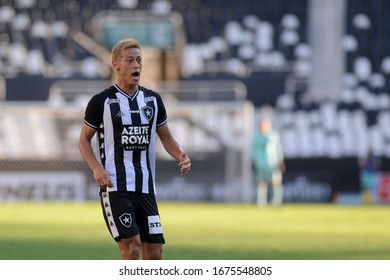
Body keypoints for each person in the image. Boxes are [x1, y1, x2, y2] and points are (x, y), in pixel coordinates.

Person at [78, 38, 191, 260]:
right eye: (129, 60)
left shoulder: (153, 100)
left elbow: (166, 137)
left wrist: (180, 154)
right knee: (132, 249)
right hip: (116, 187)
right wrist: (96, 169)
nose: (136, 65)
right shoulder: (102, 102)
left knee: (155, 255)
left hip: (146, 188)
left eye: (139, 60)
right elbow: (83, 139)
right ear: (116, 64)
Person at [251, 117, 285, 207]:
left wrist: (280, 161)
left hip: (273, 164)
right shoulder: (256, 137)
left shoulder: (273, 136)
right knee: (261, 183)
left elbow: (278, 149)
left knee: (276, 183)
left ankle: (277, 201)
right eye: (262, 125)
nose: (263, 127)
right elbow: (253, 150)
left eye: (265, 125)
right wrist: (252, 161)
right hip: (261, 164)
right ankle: (261, 202)